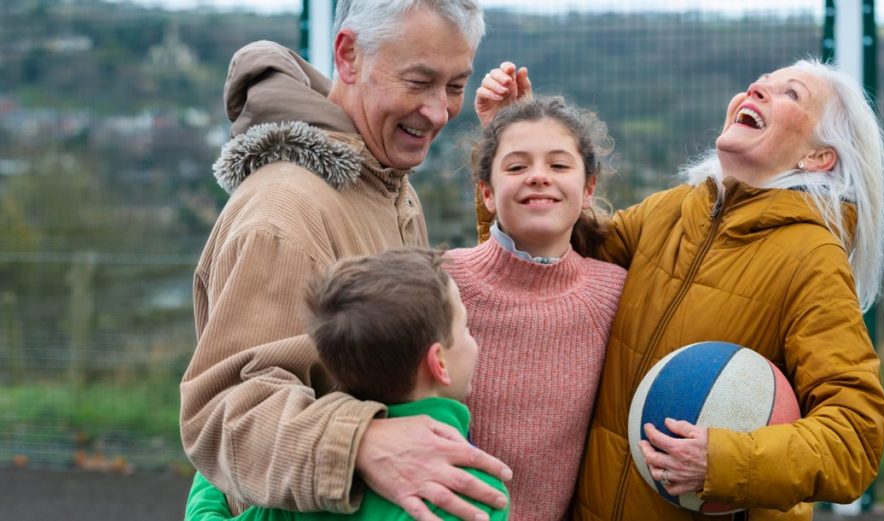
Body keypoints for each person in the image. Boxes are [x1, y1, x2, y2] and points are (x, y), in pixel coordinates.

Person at [476, 59, 884, 519]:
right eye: (761, 82)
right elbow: (547, 263)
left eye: (790, 93)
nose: (756, 88)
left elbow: (855, 436)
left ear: (818, 158)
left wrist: (724, 463)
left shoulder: (811, 258)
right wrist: (512, 137)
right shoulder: (670, 211)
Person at [179, 2, 513, 521]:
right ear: (348, 56)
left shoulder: (384, 181)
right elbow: (224, 414)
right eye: (418, 81)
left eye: (453, 85)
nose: (439, 111)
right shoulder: (283, 214)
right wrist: (360, 442)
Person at [185, 247, 510, 521]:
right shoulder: (475, 494)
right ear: (438, 363)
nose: (473, 339)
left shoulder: (310, 491)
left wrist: (210, 478)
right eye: (466, 327)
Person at [445, 96, 627, 520]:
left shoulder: (614, 294)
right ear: (487, 193)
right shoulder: (440, 284)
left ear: (588, 189)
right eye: (516, 167)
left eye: (559, 166)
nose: (539, 177)